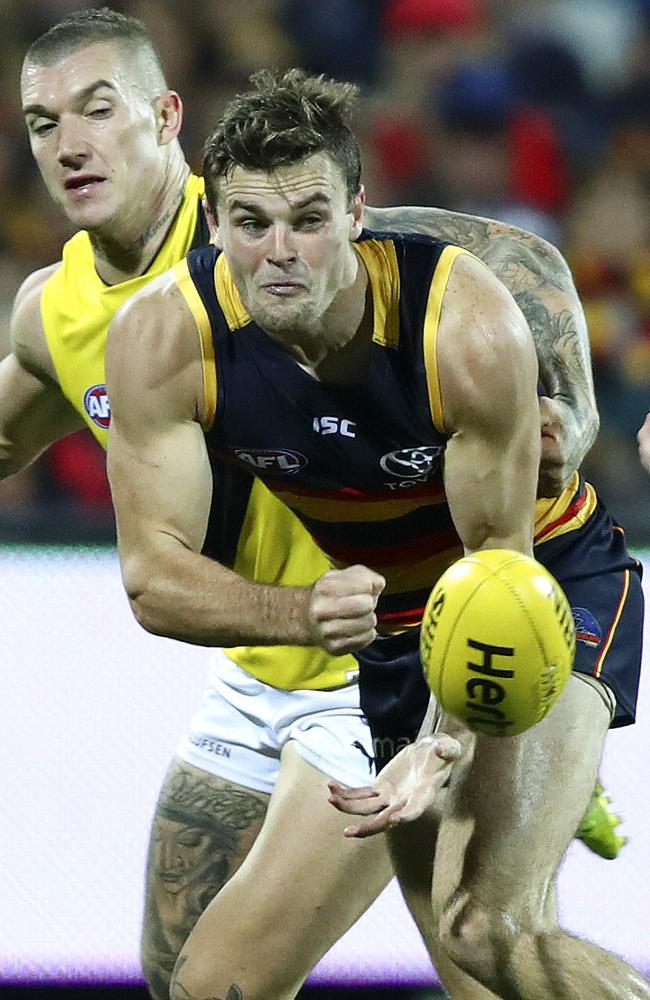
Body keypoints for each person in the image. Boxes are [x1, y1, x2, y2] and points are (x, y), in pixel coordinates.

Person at [1, 9, 621, 997]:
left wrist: (571, 415)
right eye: (41, 122)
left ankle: (533, 732)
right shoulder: (61, 310)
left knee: (479, 942)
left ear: (165, 117)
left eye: (96, 109)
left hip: (382, 639)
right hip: (266, 656)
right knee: (185, 977)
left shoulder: (276, 196)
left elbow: (516, 260)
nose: (69, 142)